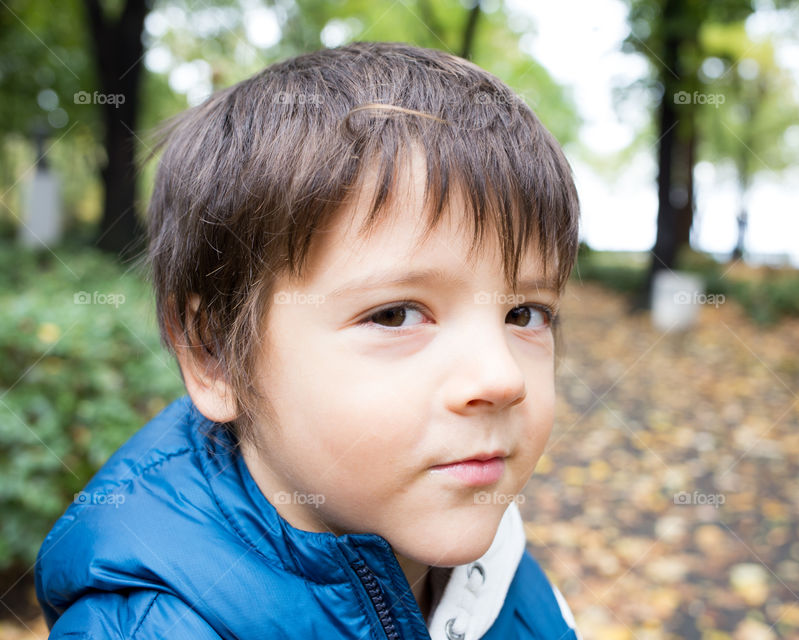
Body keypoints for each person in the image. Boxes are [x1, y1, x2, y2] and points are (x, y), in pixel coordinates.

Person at [35, 41, 581, 639]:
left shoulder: (513, 584)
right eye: (396, 315)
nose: (501, 378)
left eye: (525, 314)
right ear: (214, 355)